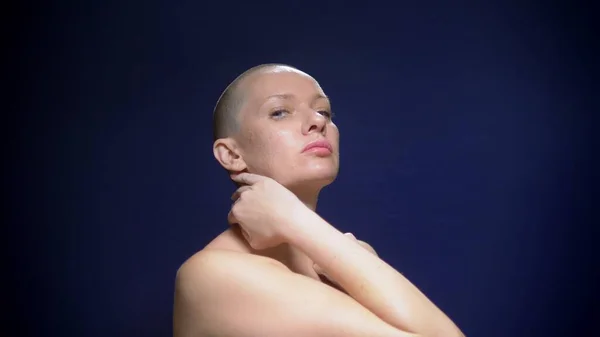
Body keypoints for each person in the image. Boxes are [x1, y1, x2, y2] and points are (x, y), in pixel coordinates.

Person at [173, 64, 464, 337]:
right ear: (232, 155)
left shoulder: (336, 259)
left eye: (324, 111)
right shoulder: (214, 275)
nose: (317, 121)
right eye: (279, 112)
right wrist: (298, 222)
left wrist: (313, 234)